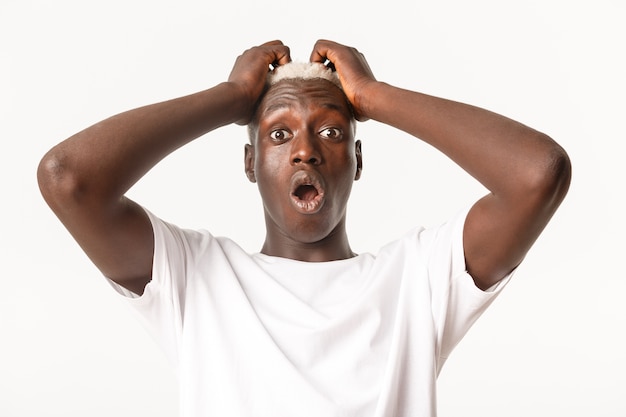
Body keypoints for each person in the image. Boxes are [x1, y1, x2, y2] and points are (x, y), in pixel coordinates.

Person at [37, 39, 571, 416]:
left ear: (356, 161)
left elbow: (538, 174)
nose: (306, 151)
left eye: (332, 131)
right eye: (278, 135)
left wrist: (374, 95)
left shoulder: (420, 278)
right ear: (249, 165)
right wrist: (229, 98)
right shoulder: (195, 277)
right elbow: (68, 179)